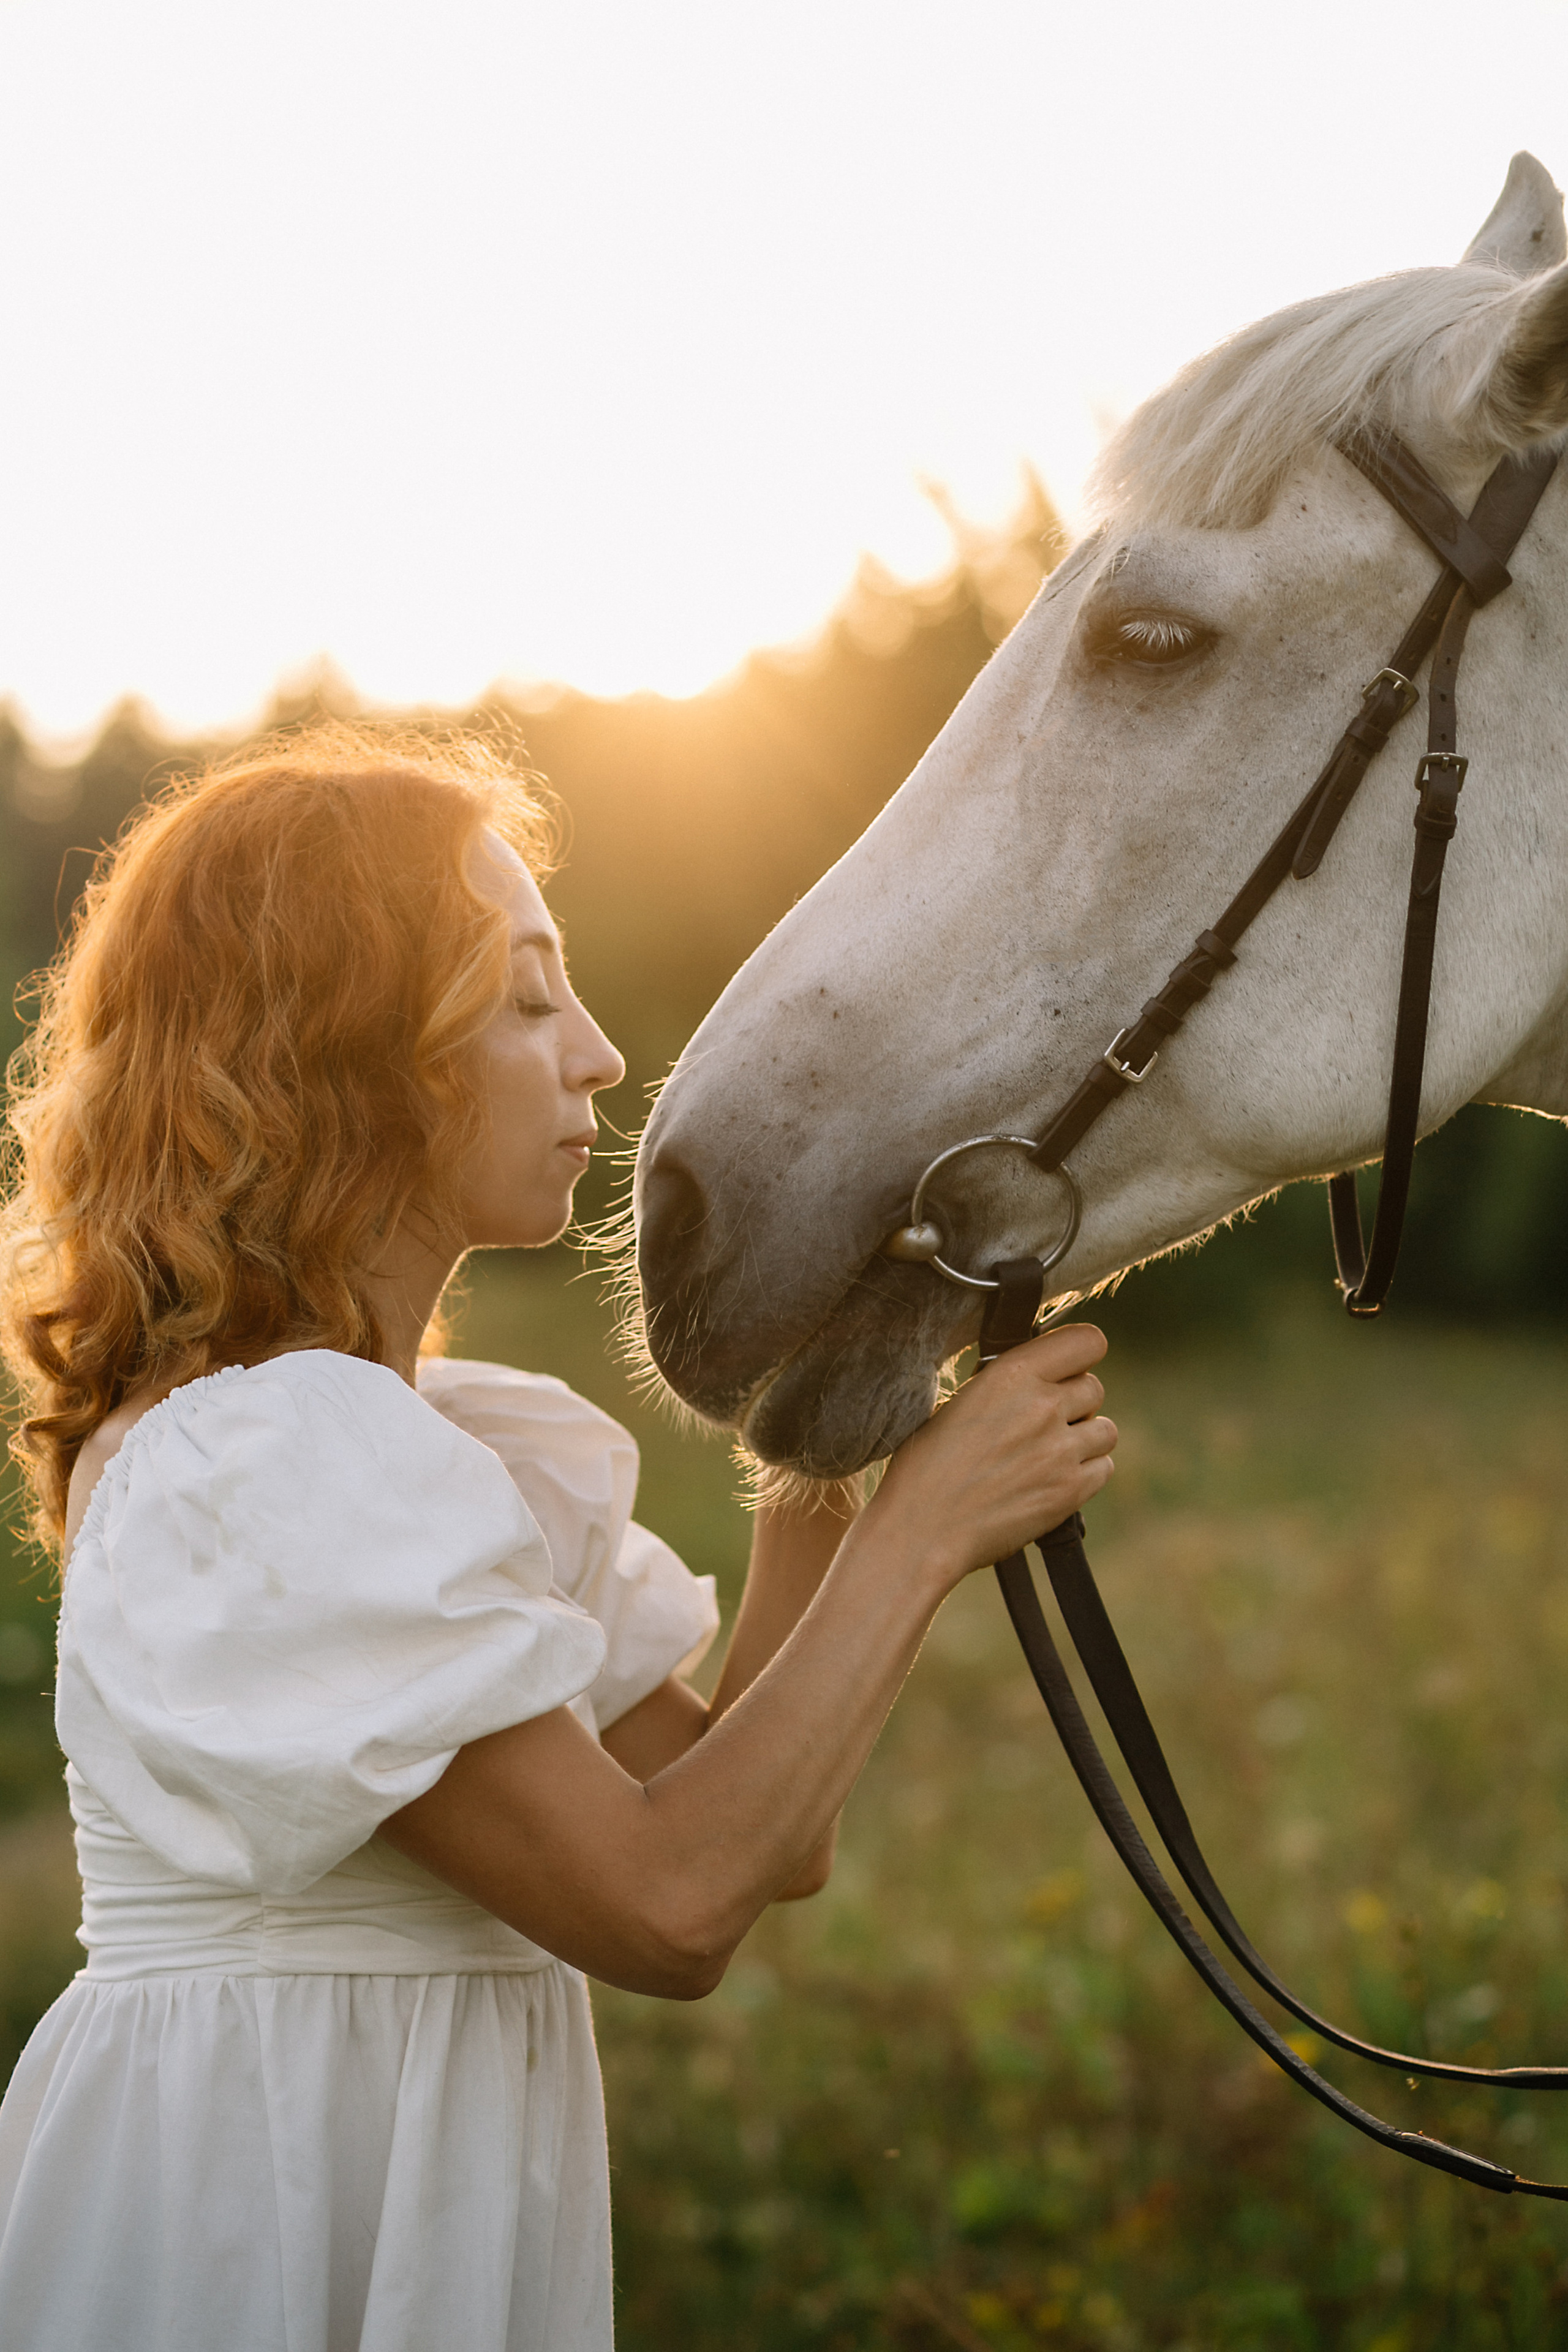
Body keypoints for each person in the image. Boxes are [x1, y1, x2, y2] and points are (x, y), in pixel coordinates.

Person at [0, 725, 1117, 2351]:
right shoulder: (269, 1458)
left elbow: (757, 1824)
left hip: (391, 2179)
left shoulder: (421, 1447)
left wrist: (830, 1432)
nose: (597, 1054)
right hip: (254, 2215)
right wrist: (930, 1528)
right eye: (527, 999)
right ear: (346, 1050)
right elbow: (669, 1905)